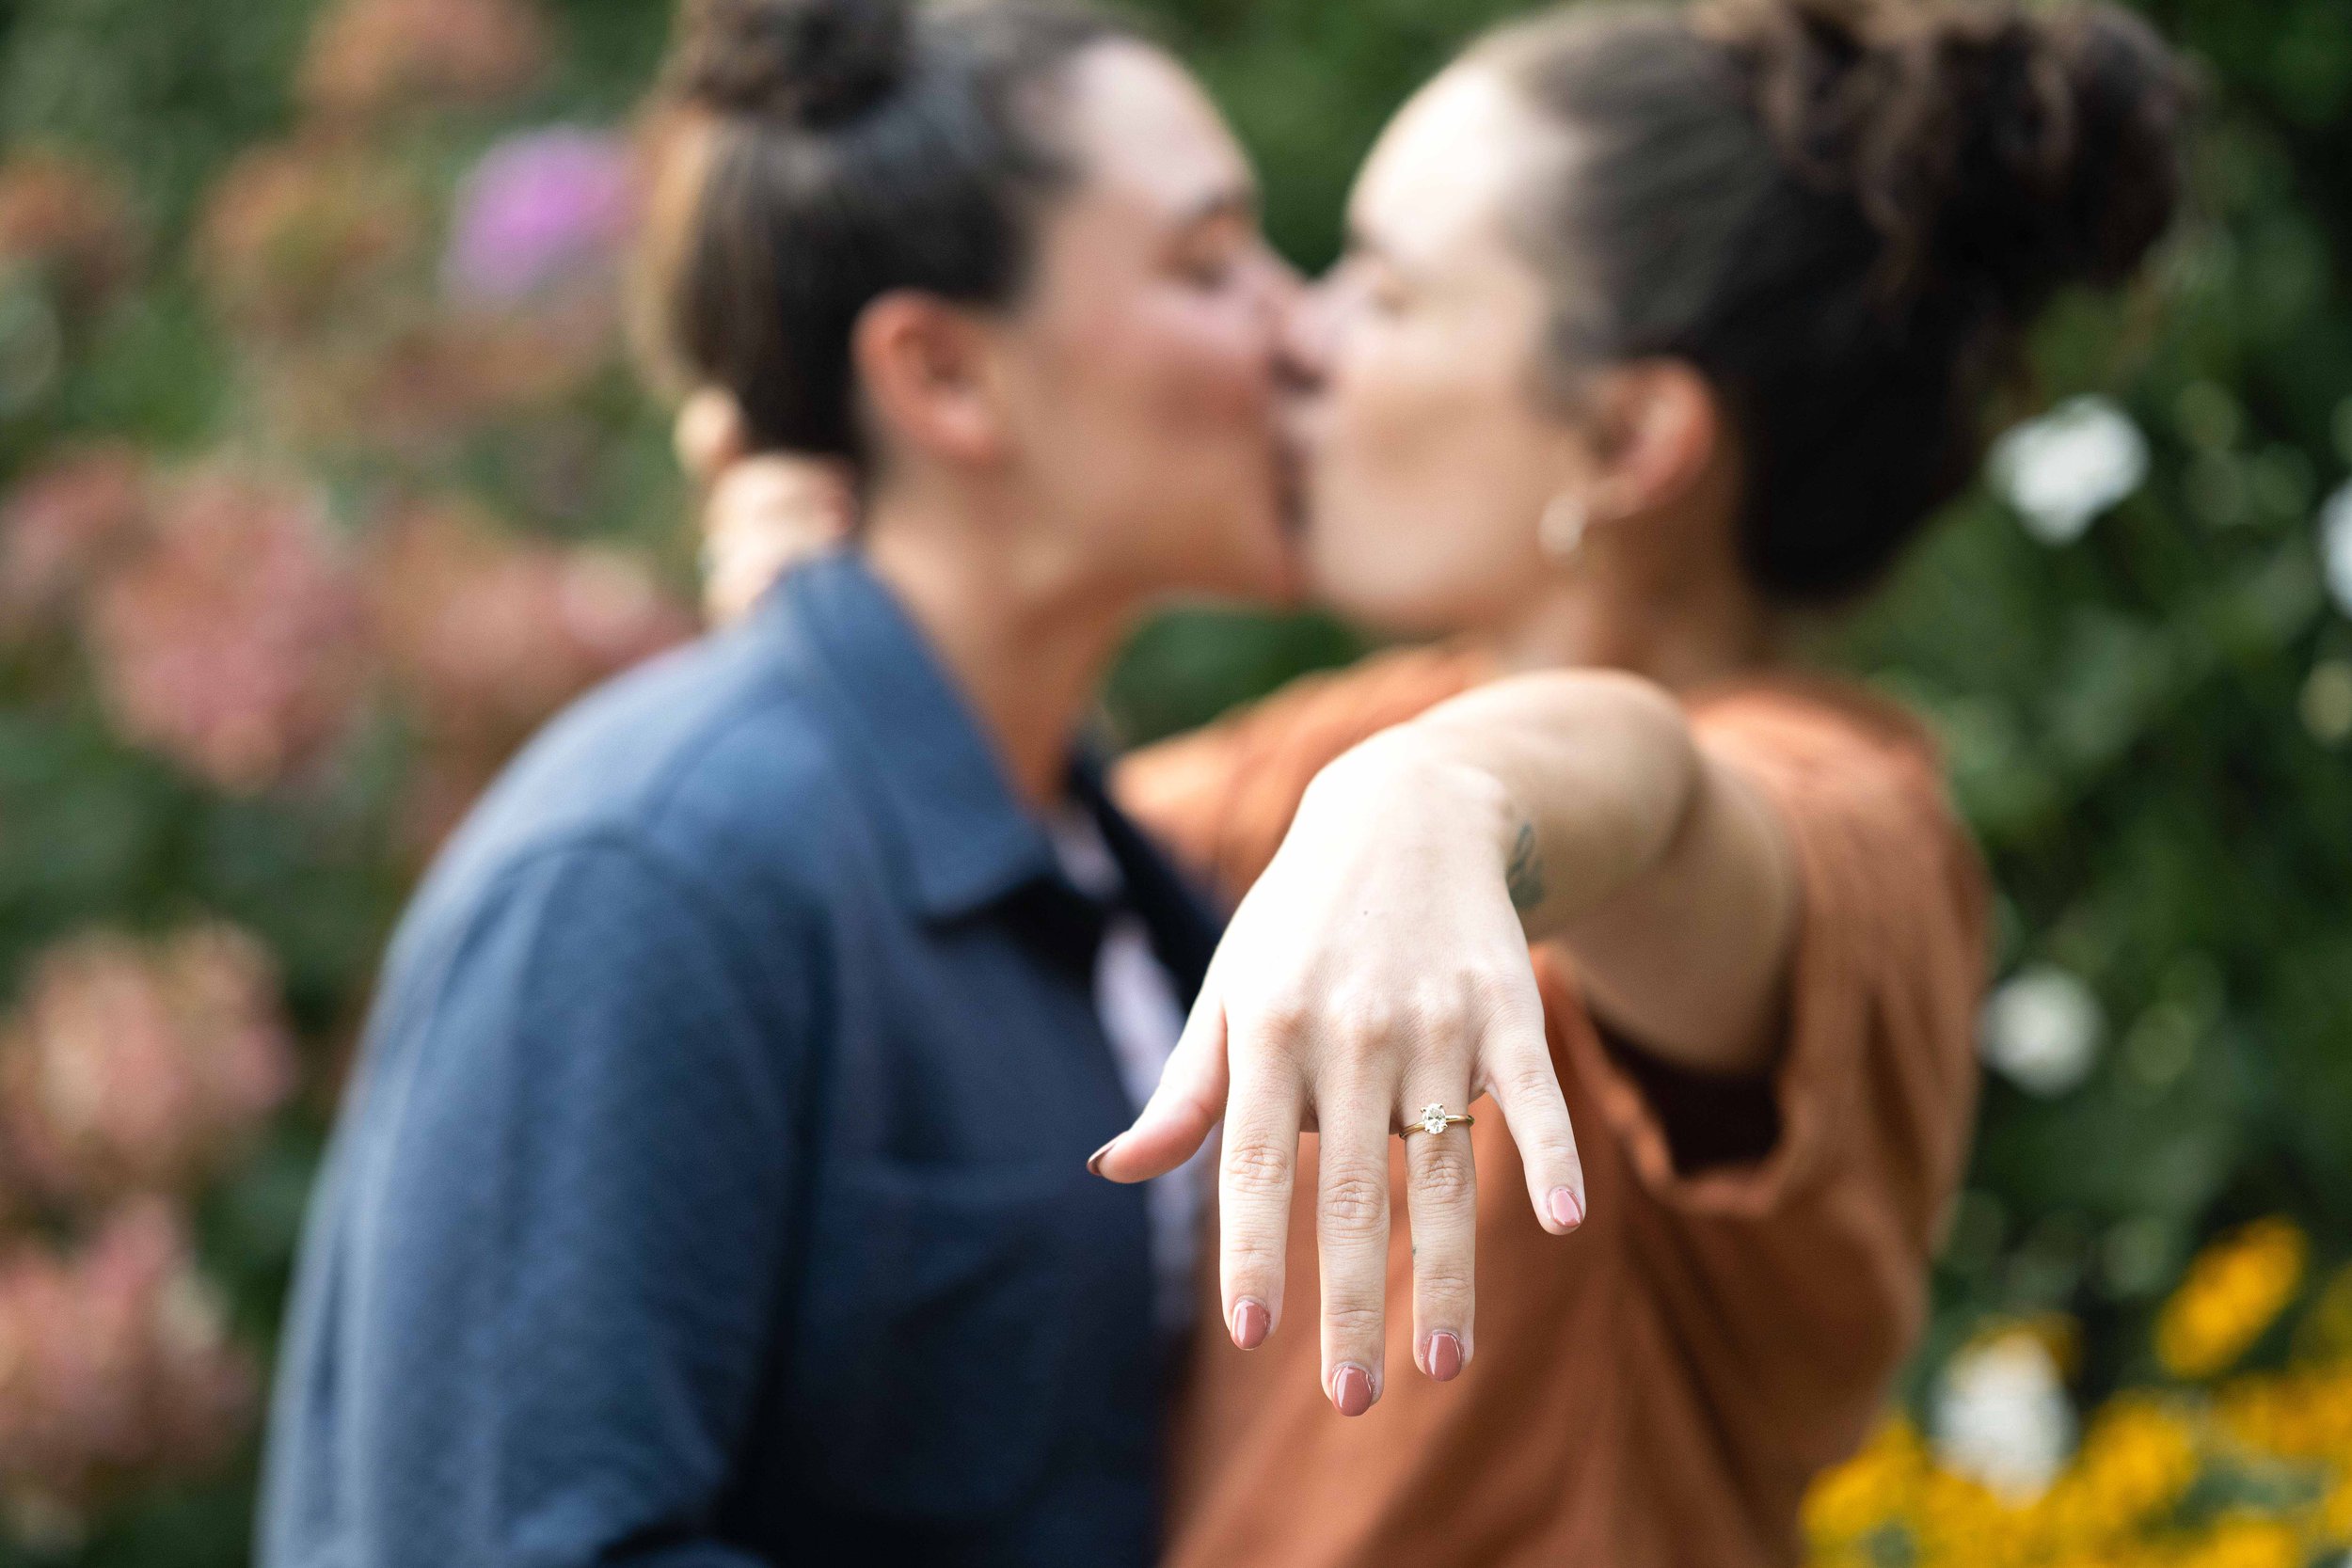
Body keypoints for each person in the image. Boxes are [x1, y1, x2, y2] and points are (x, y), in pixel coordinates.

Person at [692, 0, 2192, 1561]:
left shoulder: (1850, 820)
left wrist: (1445, 801)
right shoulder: (1340, 748)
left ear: (1626, 435)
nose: (1298, 336)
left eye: (1384, 292)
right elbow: (1014, 862)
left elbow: (1665, 798)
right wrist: (863, 607)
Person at [256, 0, 1313, 1561]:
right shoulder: (652, 872)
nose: (1298, 328)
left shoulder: (1112, 873)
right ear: (945, 376)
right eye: (1209, 264)